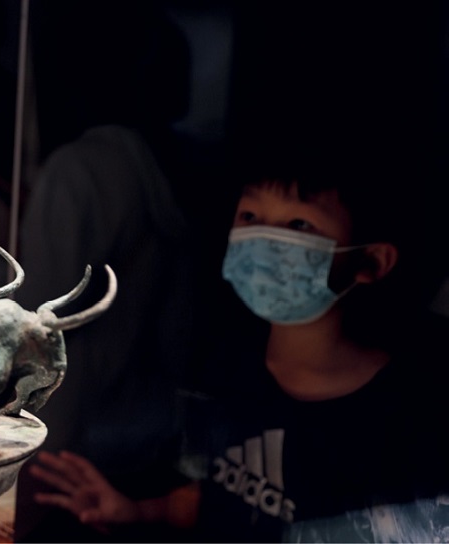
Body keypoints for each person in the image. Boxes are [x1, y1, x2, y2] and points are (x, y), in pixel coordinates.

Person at [27, 151, 449, 542]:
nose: (266, 239)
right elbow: (217, 495)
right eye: (251, 216)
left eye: (300, 224)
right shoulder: (225, 366)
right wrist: (136, 510)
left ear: (371, 261)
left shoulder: (409, 420)